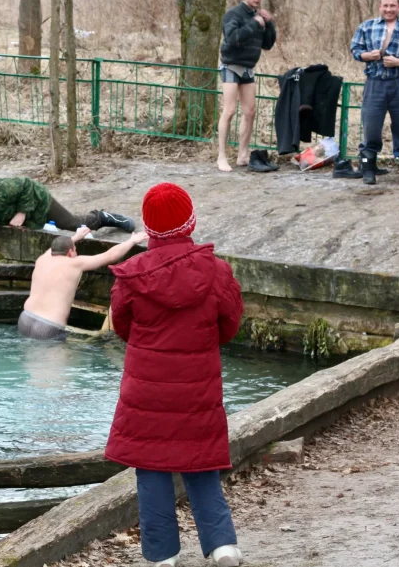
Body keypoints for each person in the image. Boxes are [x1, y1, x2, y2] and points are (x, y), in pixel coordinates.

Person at [104, 182, 244, 567]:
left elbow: (122, 325)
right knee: (201, 461)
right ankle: (222, 545)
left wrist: (152, 343)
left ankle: (162, 555)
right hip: (197, 382)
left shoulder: (131, 275)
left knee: (150, 468)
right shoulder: (216, 271)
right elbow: (229, 325)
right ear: (190, 221)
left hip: (146, 386)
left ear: (148, 228)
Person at [0, 177, 136, 290]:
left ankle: (105, 217)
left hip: (38, 201)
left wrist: (22, 211)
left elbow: (26, 185)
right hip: (29, 222)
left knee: (73, 223)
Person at [18, 228, 148, 341]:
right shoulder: (75, 263)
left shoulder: (42, 259)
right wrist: (132, 241)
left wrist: (76, 236)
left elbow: (57, 248)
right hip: (49, 327)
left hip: (25, 318)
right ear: (70, 252)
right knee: (52, 367)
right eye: (75, 250)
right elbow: (110, 256)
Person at [349, 0, 399, 185]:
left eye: (393, 6)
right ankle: (368, 169)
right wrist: (368, 56)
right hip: (374, 83)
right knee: (371, 127)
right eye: (385, 6)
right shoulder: (367, 27)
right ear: (380, 6)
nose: (389, 9)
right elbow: (355, 50)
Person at [218, 0, 277, 173]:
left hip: (248, 68)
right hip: (231, 65)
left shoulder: (257, 16)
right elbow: (232, 38)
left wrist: (269, 24)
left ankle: (243, 155)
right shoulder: (234, 14)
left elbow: (267, 44)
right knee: (229, 111)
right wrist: (255, 24)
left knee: (250, 111)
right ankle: (221, 156)